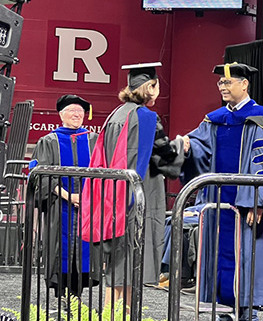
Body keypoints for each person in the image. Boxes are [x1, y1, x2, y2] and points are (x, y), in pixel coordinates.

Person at [81, 62, 186, 308]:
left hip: (113, 196)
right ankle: (124, 314)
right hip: (138, 196)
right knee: (131, 263)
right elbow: (166, 160)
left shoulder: (115, 114)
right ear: (151, 86)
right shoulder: (147, 117)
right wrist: (182, 145)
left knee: (119, 266)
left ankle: (113, 313)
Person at [182, 62, 263, 321]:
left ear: (244, 84)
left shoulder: (259, 119)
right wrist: (185, 146)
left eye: (228, 82)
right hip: (218, 204)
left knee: (248, 257)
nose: (222, 87)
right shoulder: (214, 119)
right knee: (218, 256)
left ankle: (248, 311)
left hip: (245, 204)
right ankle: (222, 311)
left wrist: (258, 201)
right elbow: (200, 149)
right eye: (220, 83)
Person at [29, 94, 99, 306]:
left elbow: (101, 172)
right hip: (59, 207)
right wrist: (70, 196)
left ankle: (77, 299)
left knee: (84, 253)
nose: (77, 115)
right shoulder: (49, 141)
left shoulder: (93, 140)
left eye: (80, 111)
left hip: (87, 207)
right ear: (61, 115)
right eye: (72, 111)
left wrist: (86, 197)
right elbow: (42, 175)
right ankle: (61, 299)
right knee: (61, 251)